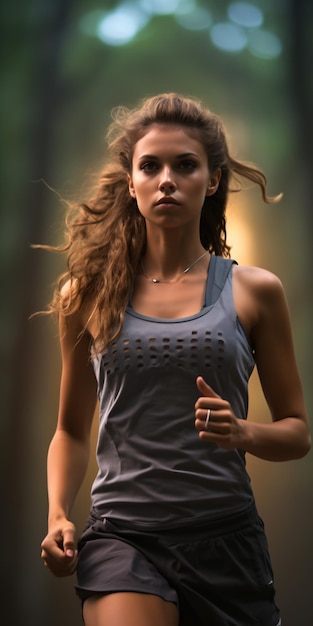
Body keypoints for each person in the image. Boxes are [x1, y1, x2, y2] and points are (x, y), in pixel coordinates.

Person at [40, 92, 311, 626]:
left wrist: (243, 433)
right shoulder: (86, 295)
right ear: (131, 182)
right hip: (123, 538)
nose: (167, 178)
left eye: (185, 165)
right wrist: (56, 515)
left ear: (211, 181)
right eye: (151, 166)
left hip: (227, 541)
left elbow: (298, 433)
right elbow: (71, 431)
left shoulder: (255, 291)